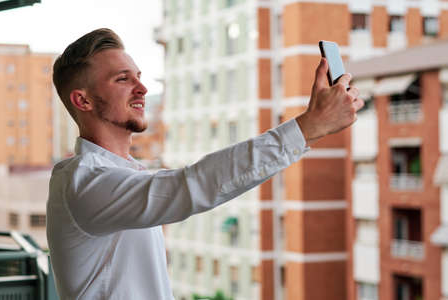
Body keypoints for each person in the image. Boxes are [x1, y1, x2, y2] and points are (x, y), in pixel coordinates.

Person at [46, 28, 363, 299]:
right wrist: (309, 127)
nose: (142, 88)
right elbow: (192, 185)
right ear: (83, 100)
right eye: (122, 79)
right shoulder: (84, 183)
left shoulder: (121, 174)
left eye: (139, 77)